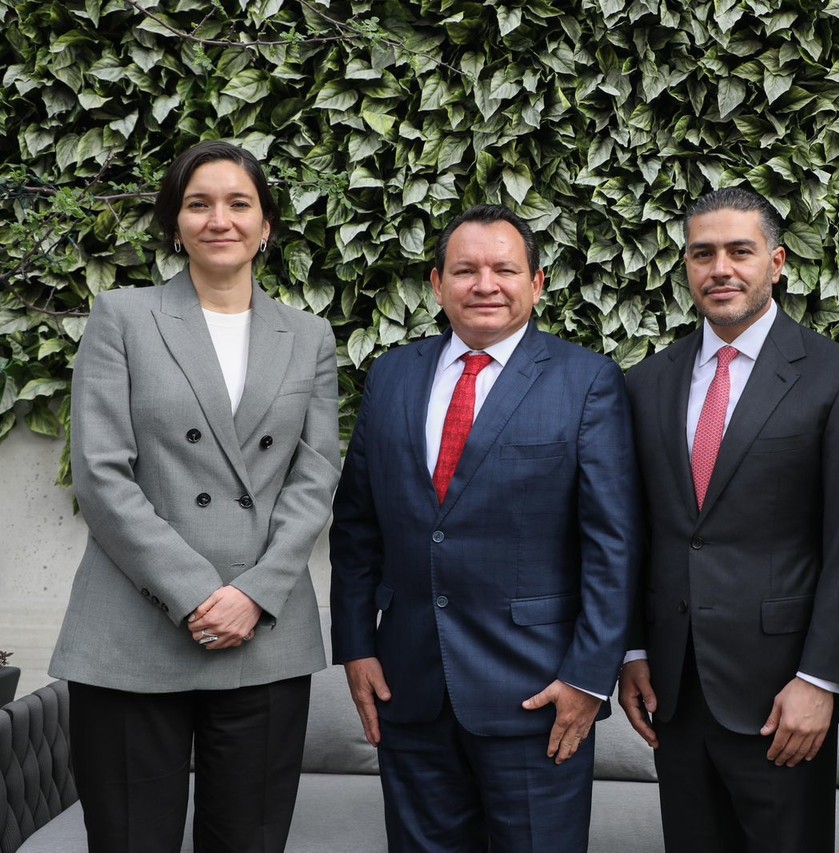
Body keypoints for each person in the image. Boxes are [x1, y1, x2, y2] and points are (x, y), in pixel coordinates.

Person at [50, 140, 341, 852]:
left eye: (239, 203)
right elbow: (101, 472)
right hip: (130, 630)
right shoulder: (123, 316)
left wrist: (254, 594)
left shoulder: (308, 335)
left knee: (248, 840)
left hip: (264, 633)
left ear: (266, 223)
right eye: (198, 203)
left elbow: (314, 477)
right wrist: (194, 592)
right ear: (175, 222)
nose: (220, 219)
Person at [328, 204, 642, 853]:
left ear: (538, 282)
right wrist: (357, 644)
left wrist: (588, 678)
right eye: (466, 269)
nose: (485, 284)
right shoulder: (390, 376)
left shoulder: (587, 383)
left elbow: (614, 544)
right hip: (409, 690)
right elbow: (357, 524)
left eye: (504, 268)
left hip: (537, 695)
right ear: (438, 283)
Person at [618, 187, 839, 852]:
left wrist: (822, 679)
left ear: (776, 262)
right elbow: (632, 531)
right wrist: (631, 651)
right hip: (674, 693)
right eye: (702, 253)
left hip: (784, 692)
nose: (721, 268)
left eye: (740, 251)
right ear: (686, 266)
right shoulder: (644, 384)